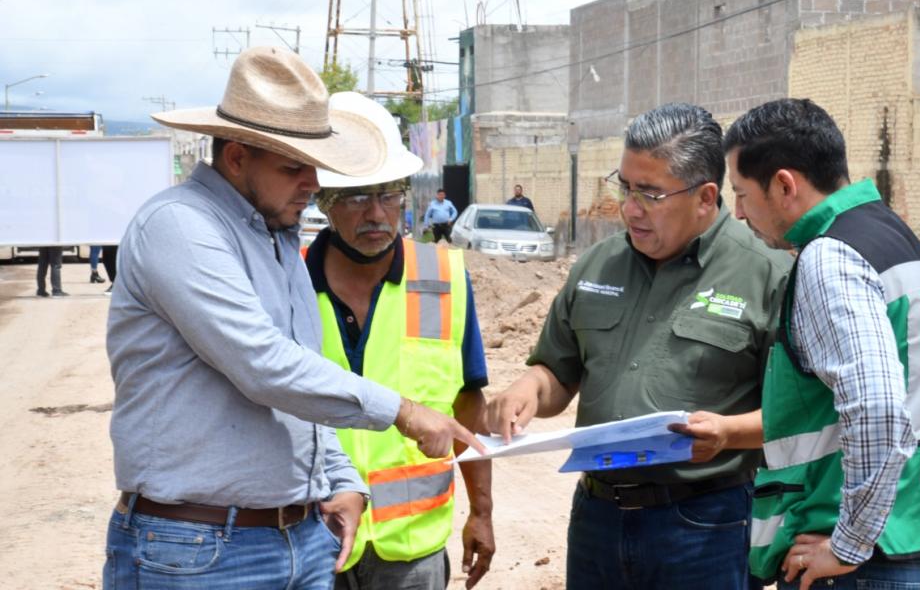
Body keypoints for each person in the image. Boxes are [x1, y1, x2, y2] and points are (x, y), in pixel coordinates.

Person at [103, 47, 483, 590]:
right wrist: (403, 411)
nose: (312, 181)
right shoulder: (180, 227)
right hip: (197, 551)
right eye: (293, 166)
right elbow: (265, 366)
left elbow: (300, 378)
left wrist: (344, 480)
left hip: (300, 539)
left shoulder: (278, 238)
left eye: (314, 164)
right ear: (236, 157)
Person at [484, 102, 792, 589]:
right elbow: (557, 374)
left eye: (649, 194)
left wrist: (728, 433)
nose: (628, 208)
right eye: (624, 187)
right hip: (597, 519)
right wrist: (527, 388)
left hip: (706, 526)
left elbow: (802, 415)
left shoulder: (768, 276)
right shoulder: (597, 265)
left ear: (706, 197)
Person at [722, 98, 920, 590]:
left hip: (855, 565)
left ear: (783, 185)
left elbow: (879, 407)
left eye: (741, 193)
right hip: (906, 539)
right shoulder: (893, 236)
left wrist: (849, 542)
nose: (737, 213)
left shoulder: (830, 258)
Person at [305, 92, 494, 590]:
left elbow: (468, 401)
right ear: (323, 200)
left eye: (390, 194)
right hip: (312, 539)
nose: (377, 214)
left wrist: (482, 511)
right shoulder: (288, 281)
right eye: (356, 196)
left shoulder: (444, 276)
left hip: (413, 548)